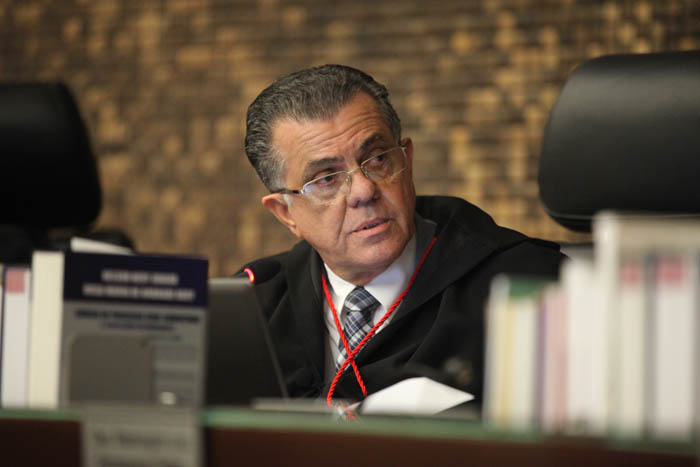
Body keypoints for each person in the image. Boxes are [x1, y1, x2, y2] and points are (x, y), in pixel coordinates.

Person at [242, 64, 564, 408]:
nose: (364, 191)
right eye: (326, 179)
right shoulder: (252, 308)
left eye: (378, 159)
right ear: (286, 212)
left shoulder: (530, 286)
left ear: (406, 161)